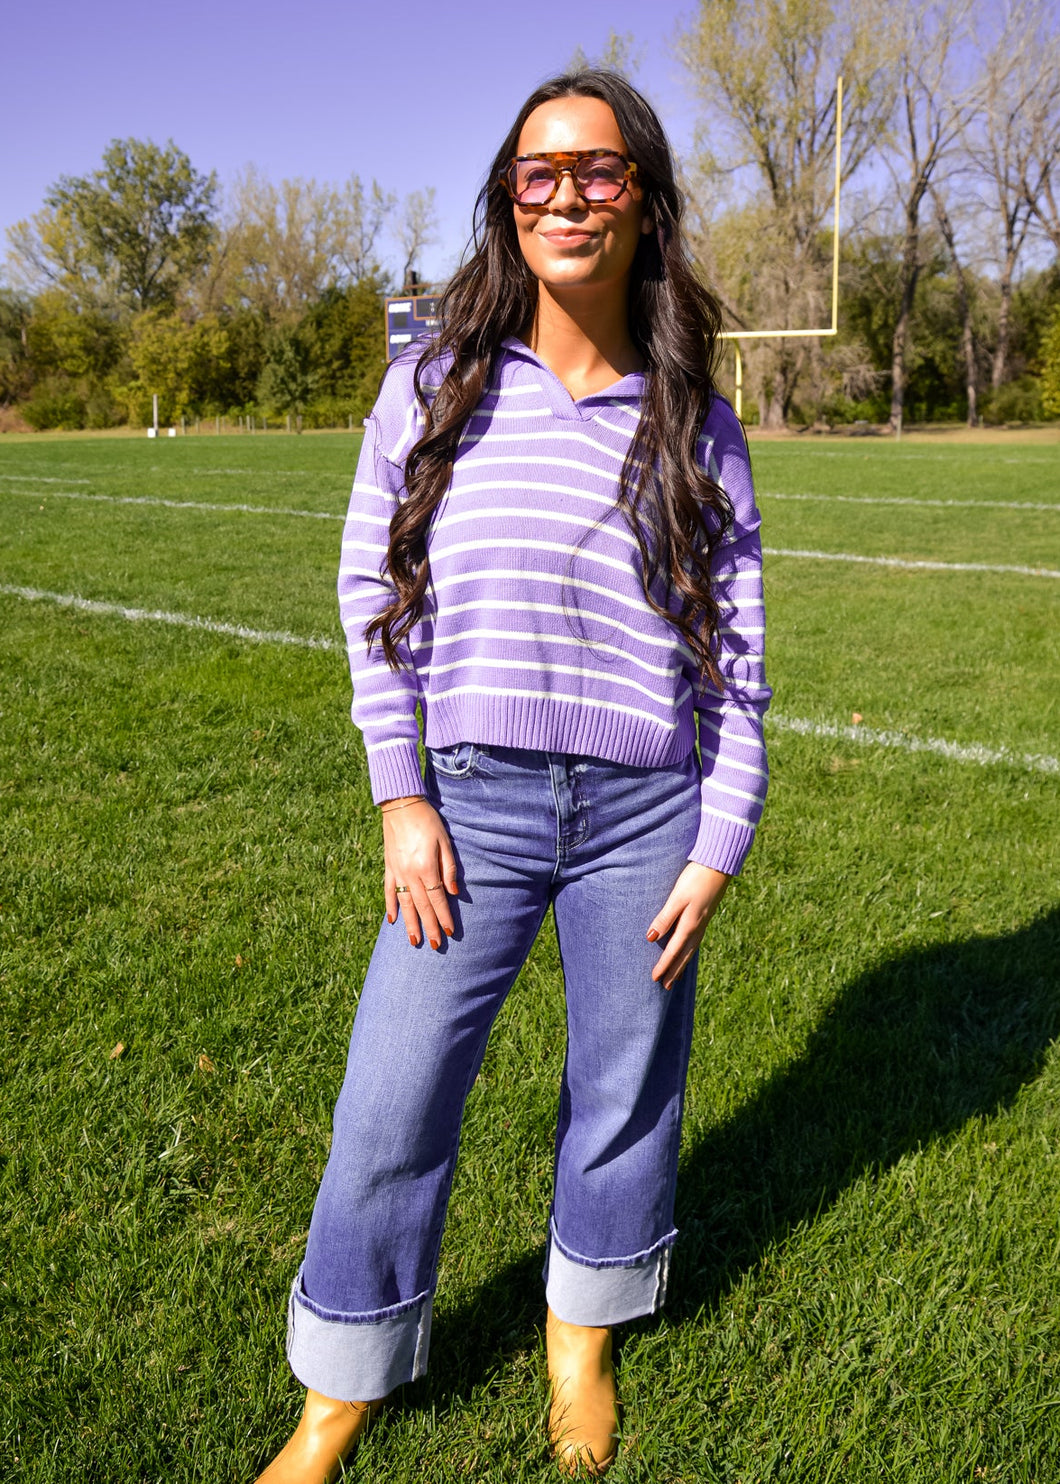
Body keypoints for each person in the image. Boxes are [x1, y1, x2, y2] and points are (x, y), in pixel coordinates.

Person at [256, 67, 770, 1483]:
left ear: (644, 201)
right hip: (467, 803)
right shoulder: (432, 381)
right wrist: (401, 795)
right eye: (537, 173)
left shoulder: (696, 422)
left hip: (645, 817)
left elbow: (739, 659)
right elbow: (376, 595)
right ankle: (341, 1389)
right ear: (506, 200)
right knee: (393, 1098)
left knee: (625, 1092)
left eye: (598, 171)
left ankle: (579, 1346)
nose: (566, 196)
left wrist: (719, 840)